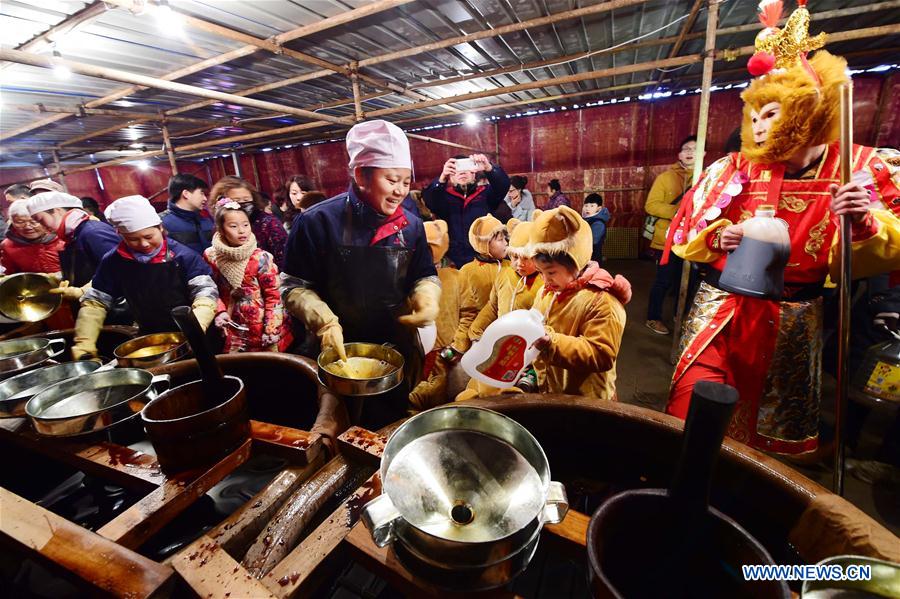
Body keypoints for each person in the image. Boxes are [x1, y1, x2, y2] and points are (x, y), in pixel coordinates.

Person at [663, 0, 900, 456]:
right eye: (754, 115)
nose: (759, 126)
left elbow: (877, 251)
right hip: (722, 307)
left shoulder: (860, 166)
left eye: (771, 114)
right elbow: (685, 234)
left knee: (765, 433)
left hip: (794, 317)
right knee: (691, 411)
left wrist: (863, 222)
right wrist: (718, 237)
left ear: (808, 110)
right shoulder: (735, 167)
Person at [281, 119, 439, 428]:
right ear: (360, 175)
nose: (401, 190)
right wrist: (323, 321)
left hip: (394, 351)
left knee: (387, 426)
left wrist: (427, 295)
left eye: (406, 180)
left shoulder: (412, 225)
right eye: (392, 179)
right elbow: (293, 286)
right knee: (336, 426)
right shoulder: (317, 222)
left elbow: (424, 273)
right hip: (336, 349)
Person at [72, 195, 218, 361]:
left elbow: (205, 292)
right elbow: (96, 301)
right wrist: (84, 342)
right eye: (133, 239)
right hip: (151, 337)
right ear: (120, 234)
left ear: (160, 228)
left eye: (149, 236)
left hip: (196, 332)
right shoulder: (113, 261)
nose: (144, 244)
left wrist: (195, 329)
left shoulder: (183, 256)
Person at [530, 206, 630, 400]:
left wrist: (552, 343)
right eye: (540, 272)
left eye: (550, 272)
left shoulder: (601, 301)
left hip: (586, 399)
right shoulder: (547, 292)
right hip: (553, 388)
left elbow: (601, 354)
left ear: (576, 262)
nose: (544, 279)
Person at [456, 215, 544, 401]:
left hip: (525, 350)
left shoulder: (542, 284)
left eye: (526, 258)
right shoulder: (505, 274)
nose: (519, 263)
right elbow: (492, 306)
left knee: (511, 389)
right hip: (498, 342)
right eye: (514, 257)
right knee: (482, 377)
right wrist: (476, 330)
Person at [204, 198, 293, 353]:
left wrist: (271, 329)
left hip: (262, 329)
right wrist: (219, 311)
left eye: (246, 225)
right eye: (233, 226)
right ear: (221, 229)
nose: (242, 230)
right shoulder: (211, 255)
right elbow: (211, 289)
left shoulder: (261, 258)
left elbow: (274, 296)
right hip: (232, 328)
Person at [26, 191, 120, 305]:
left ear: (57, 210)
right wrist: (58, 277)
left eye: (40, 219)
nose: (41, 226)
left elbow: (119, 271)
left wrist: (83, 291)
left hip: (113, 308)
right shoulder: (73, 235)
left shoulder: (93, 232)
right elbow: (89, 269)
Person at [644, 135, 695, 335]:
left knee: (688, 282)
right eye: (686, 148)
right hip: (667, 239)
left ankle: (679, 315)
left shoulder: (706, 177)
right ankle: (653, 317)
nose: (690, 152)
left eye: (695, 149)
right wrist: (678, 211)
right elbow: (651, 205)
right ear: (679, 154)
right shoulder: (665, 178)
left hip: (693, 240)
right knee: (663, 280)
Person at [423, 153, 510, 267]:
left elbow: (503, 186)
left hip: (483, 259)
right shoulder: (444, 197)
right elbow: (430, 201)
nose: (462, 172)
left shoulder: (485, 194)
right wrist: (442, 177)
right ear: (451, 176)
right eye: (456, 169)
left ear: (474, 173)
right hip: (453, 261)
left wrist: (488, 167)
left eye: (466, 168)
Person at [442, 215, 509, 361]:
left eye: (506, 238)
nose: (506, 243)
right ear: (484, 243)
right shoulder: (468, 271)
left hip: (508, 336)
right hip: (479, 339)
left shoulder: (510, 267)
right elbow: (467, 312)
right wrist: (459, 345)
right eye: (500, 239)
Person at [409, 220, 460, 411]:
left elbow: (469, 313)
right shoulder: (407, 277)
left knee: (439, 398)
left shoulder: (455, 277)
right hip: (415, 350)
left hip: (444, 351)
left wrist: (458, 346)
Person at [210, 176, 287, 268]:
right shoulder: (221, 225)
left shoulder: (269, 223)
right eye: (237, 201)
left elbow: (284, 258)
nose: (243, 204)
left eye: (246, 200)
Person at [1, 199, 65, 274]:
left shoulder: (64, 237)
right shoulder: (7, 246)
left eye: (34, 221)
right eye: (20, 222)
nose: (28, 227)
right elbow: (10, 274)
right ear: (12, 222)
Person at [160, 174, 214, 254]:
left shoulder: (206, 220)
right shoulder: (162, 223)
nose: (205, 199)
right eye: (201, 193)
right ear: (186, 194)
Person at [582, 193, 609, 263]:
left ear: (598, 208)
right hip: (587, 257)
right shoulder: (588, 219)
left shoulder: (598, 223)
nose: (588, 208)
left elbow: (593, 241)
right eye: (586, 205)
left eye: (592, 206)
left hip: (593, 259)